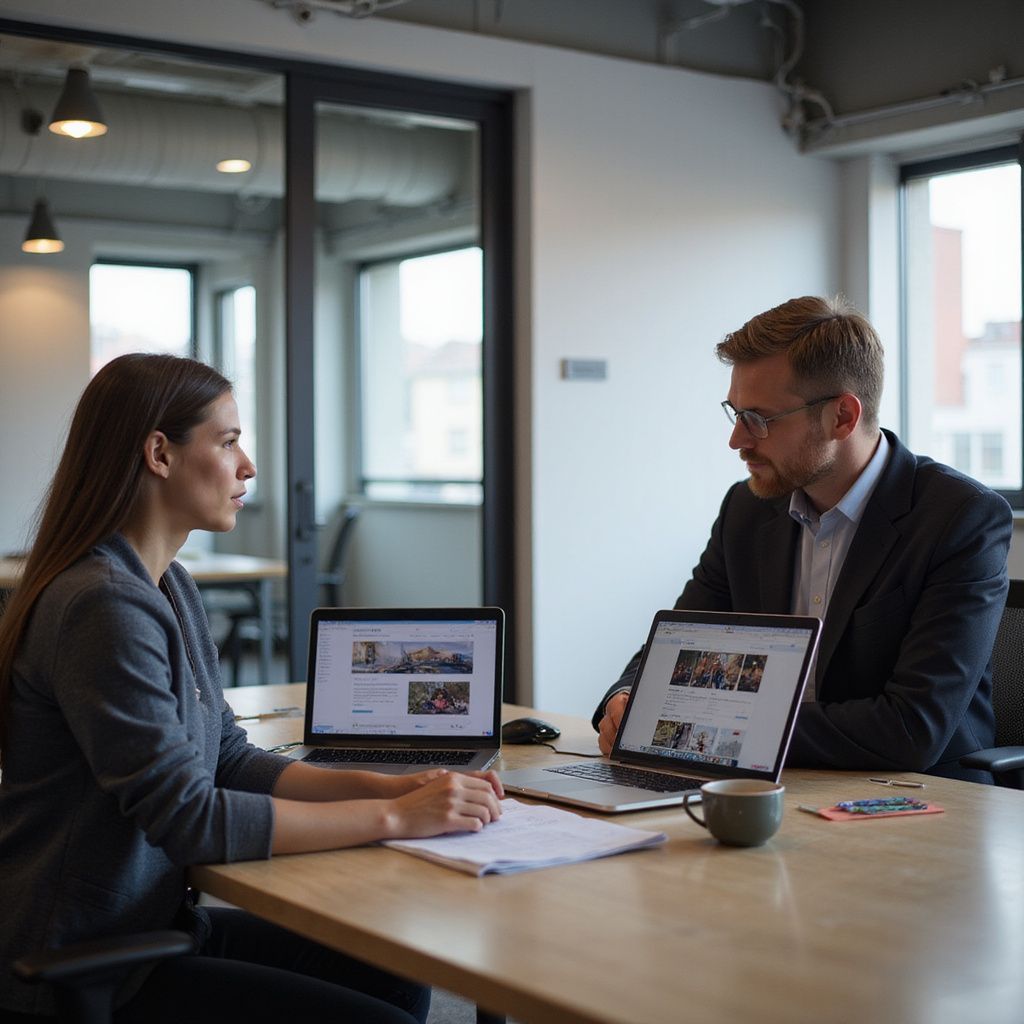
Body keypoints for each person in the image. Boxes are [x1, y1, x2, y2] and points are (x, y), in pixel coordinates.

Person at [0, 354, 504, 1023]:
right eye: (230, 441)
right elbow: (191, 819)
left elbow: (229, 758)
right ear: (159, 453)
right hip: (85, 959)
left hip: (148, 926)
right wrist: (397, 820)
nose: (249, 467)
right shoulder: (103, 605)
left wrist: (390, 787)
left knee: (393, 975)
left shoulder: (167, 584)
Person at [593, 296, 1012, 782]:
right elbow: (675, 642)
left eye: (760, 420)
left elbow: (912, 728)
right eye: (736, 414)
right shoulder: (747, 510)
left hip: (918, 801)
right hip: (764, 782)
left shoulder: (959, 518)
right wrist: (628, 698)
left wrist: (723, 726)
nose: (738, 440)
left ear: (842, 417)